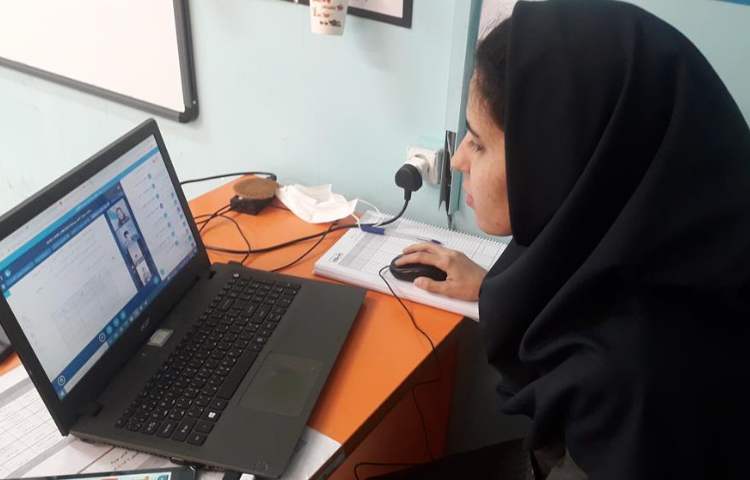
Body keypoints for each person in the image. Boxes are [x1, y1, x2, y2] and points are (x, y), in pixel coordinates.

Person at [393, 1, 750, 478]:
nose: (458, 161)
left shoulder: (629, 385)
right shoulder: (653, 256)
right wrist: (489, 288)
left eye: (478, 142)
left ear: (558, 157)